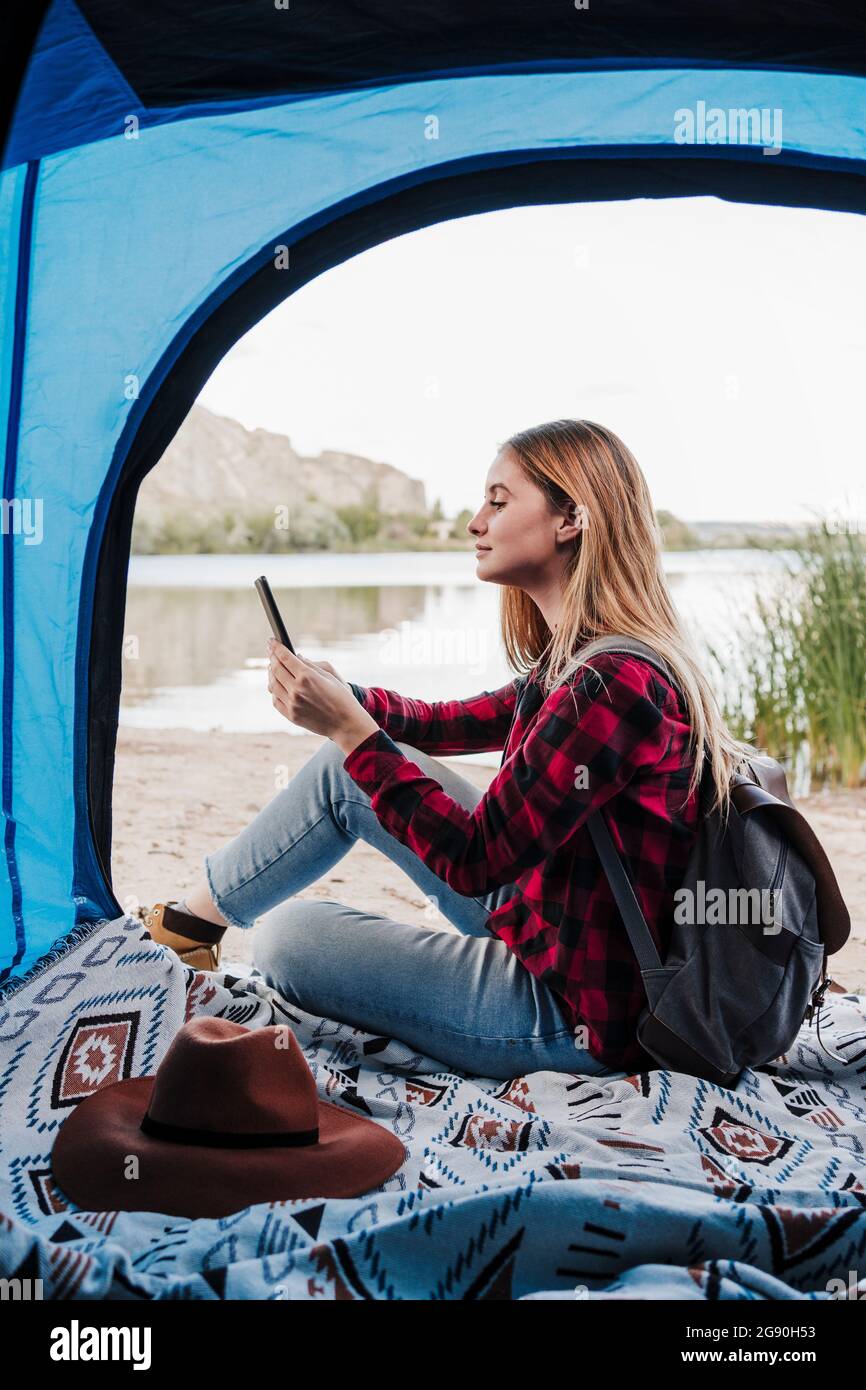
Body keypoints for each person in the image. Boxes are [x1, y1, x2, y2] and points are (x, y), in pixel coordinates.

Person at [141, 419, 760, 1079]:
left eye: (498, 501)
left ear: (571, 520)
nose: (474, 522)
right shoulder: (584, 659)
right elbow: (443, 723)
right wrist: (342, 699)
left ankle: (196, 931)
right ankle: (190, 927)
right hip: (553, 930)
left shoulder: (611, 684)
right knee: (342, 770)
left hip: (576, 1012)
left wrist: (353, 731)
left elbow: (475, 860)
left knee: (285, 940)